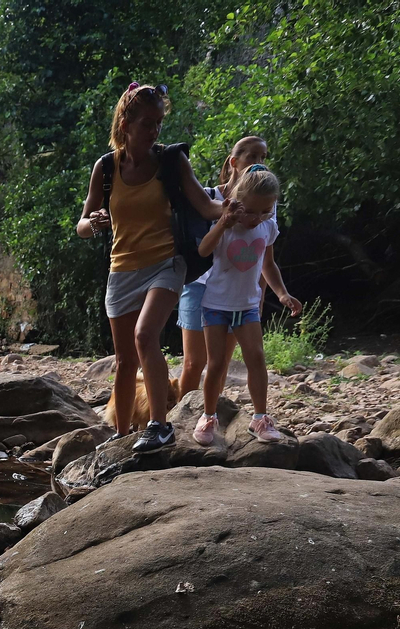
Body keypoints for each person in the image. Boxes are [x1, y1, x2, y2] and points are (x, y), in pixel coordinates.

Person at [77, 83, 224, 452]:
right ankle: (122, 434)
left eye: (159, 123)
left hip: (166, 263)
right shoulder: (106, 167)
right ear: (125, 123)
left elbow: (207, 208)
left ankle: (160, 425)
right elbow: (81, 226)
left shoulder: (171, 161)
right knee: (125, 360)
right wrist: (94, 222)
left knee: (145, 337)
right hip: (122, 268)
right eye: (147, 123)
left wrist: (237, 208)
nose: (155, 131)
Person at [191, 166, 303, 446]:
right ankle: (208, 415)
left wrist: (282, 293)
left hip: (248, 306)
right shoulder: (226, 225)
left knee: (257, 358)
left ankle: (260, 417)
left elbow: (268, 264)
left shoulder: (268, 227)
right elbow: (204, 250)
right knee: (216, 364)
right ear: (237, 202)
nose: (256, 218)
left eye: (265, 211)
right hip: (216, 303)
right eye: (250, 211)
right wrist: (222, 224)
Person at [177, 135, 277, 396]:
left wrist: (261, 294)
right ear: (234, 161)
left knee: (219, 364)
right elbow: (201, 247)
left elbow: (265, 257)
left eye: (263, 158)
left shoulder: (267, 203)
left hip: (238, 294)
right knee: (193, 362)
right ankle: (178, 419)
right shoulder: (209, 197)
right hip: (200, 285)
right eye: (251, 157)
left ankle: (211, 417)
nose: (258, 163)